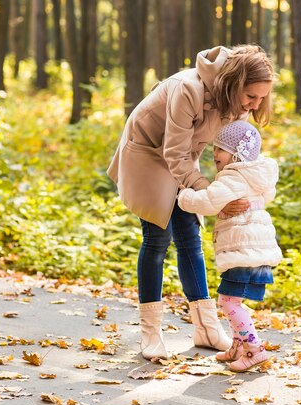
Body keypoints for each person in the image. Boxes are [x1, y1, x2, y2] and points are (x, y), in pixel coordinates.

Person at [107, 45, 275, 360]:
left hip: (184, 158)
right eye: (251, 96)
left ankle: (206, 328)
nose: (255, 105)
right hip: (148, 154)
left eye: (261, 99)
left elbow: (232, 151)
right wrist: (209, 193)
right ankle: (151, 333)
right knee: (158, 238)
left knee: (190, 239)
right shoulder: (188, 88)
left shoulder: (236, 101)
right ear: (234, 84)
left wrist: (237, 188)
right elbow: (173, 153)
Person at [177, 120, 282, 372]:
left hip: (242, 252)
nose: (214, 154)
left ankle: (255, 349)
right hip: (255, 252)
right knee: (233, 300)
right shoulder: (256, 178)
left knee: (228, 302)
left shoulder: (232, 178)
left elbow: (207, 202)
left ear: (236, 154)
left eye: (220, 149)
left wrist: (183, 196)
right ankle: (238, 346)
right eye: (213, 148)